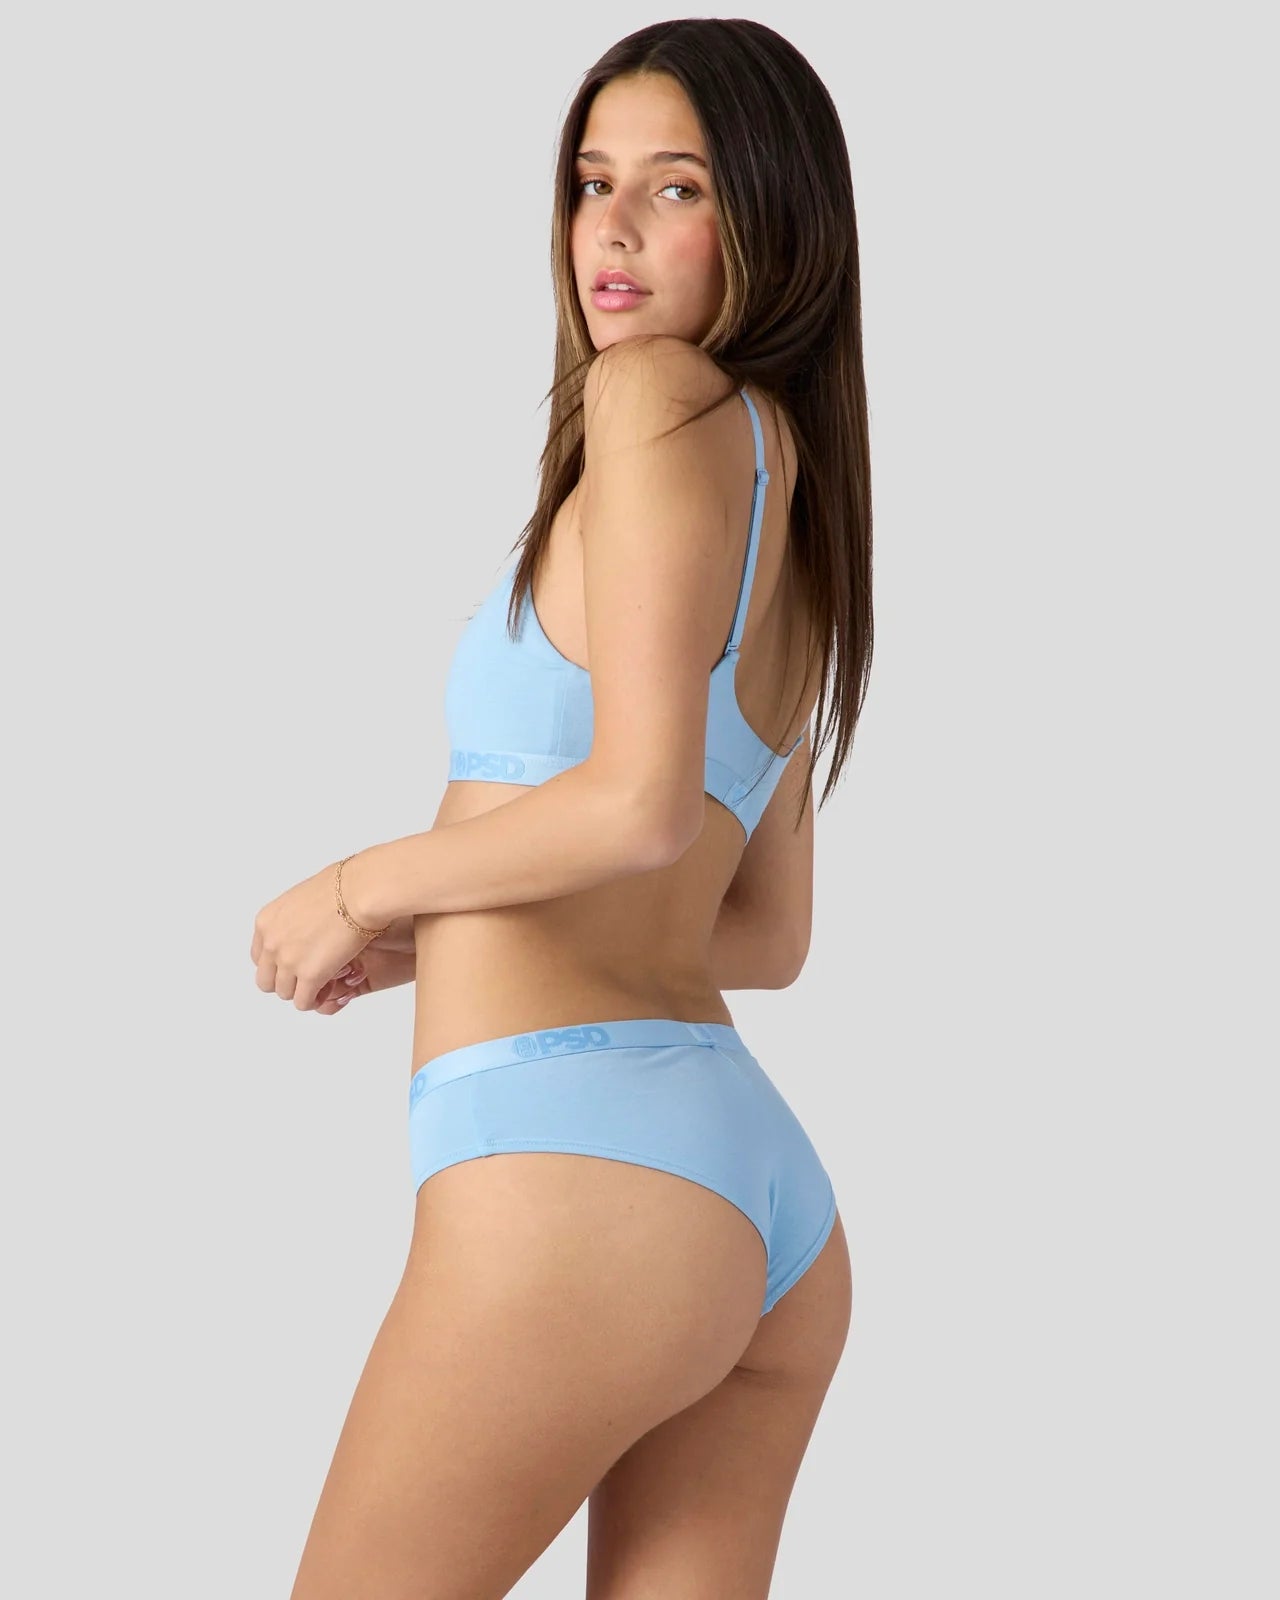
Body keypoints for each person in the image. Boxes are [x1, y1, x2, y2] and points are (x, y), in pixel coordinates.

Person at [252, 19, 873, 1598]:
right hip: (749, 1204)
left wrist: (366, 886)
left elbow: (641, 805)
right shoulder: (797, 502)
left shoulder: (657, 401)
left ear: (774, 217)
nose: (614, 227)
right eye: (595, 182)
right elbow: (764, 930)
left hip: (577, 1170)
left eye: (678, 188)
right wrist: (457, 928)